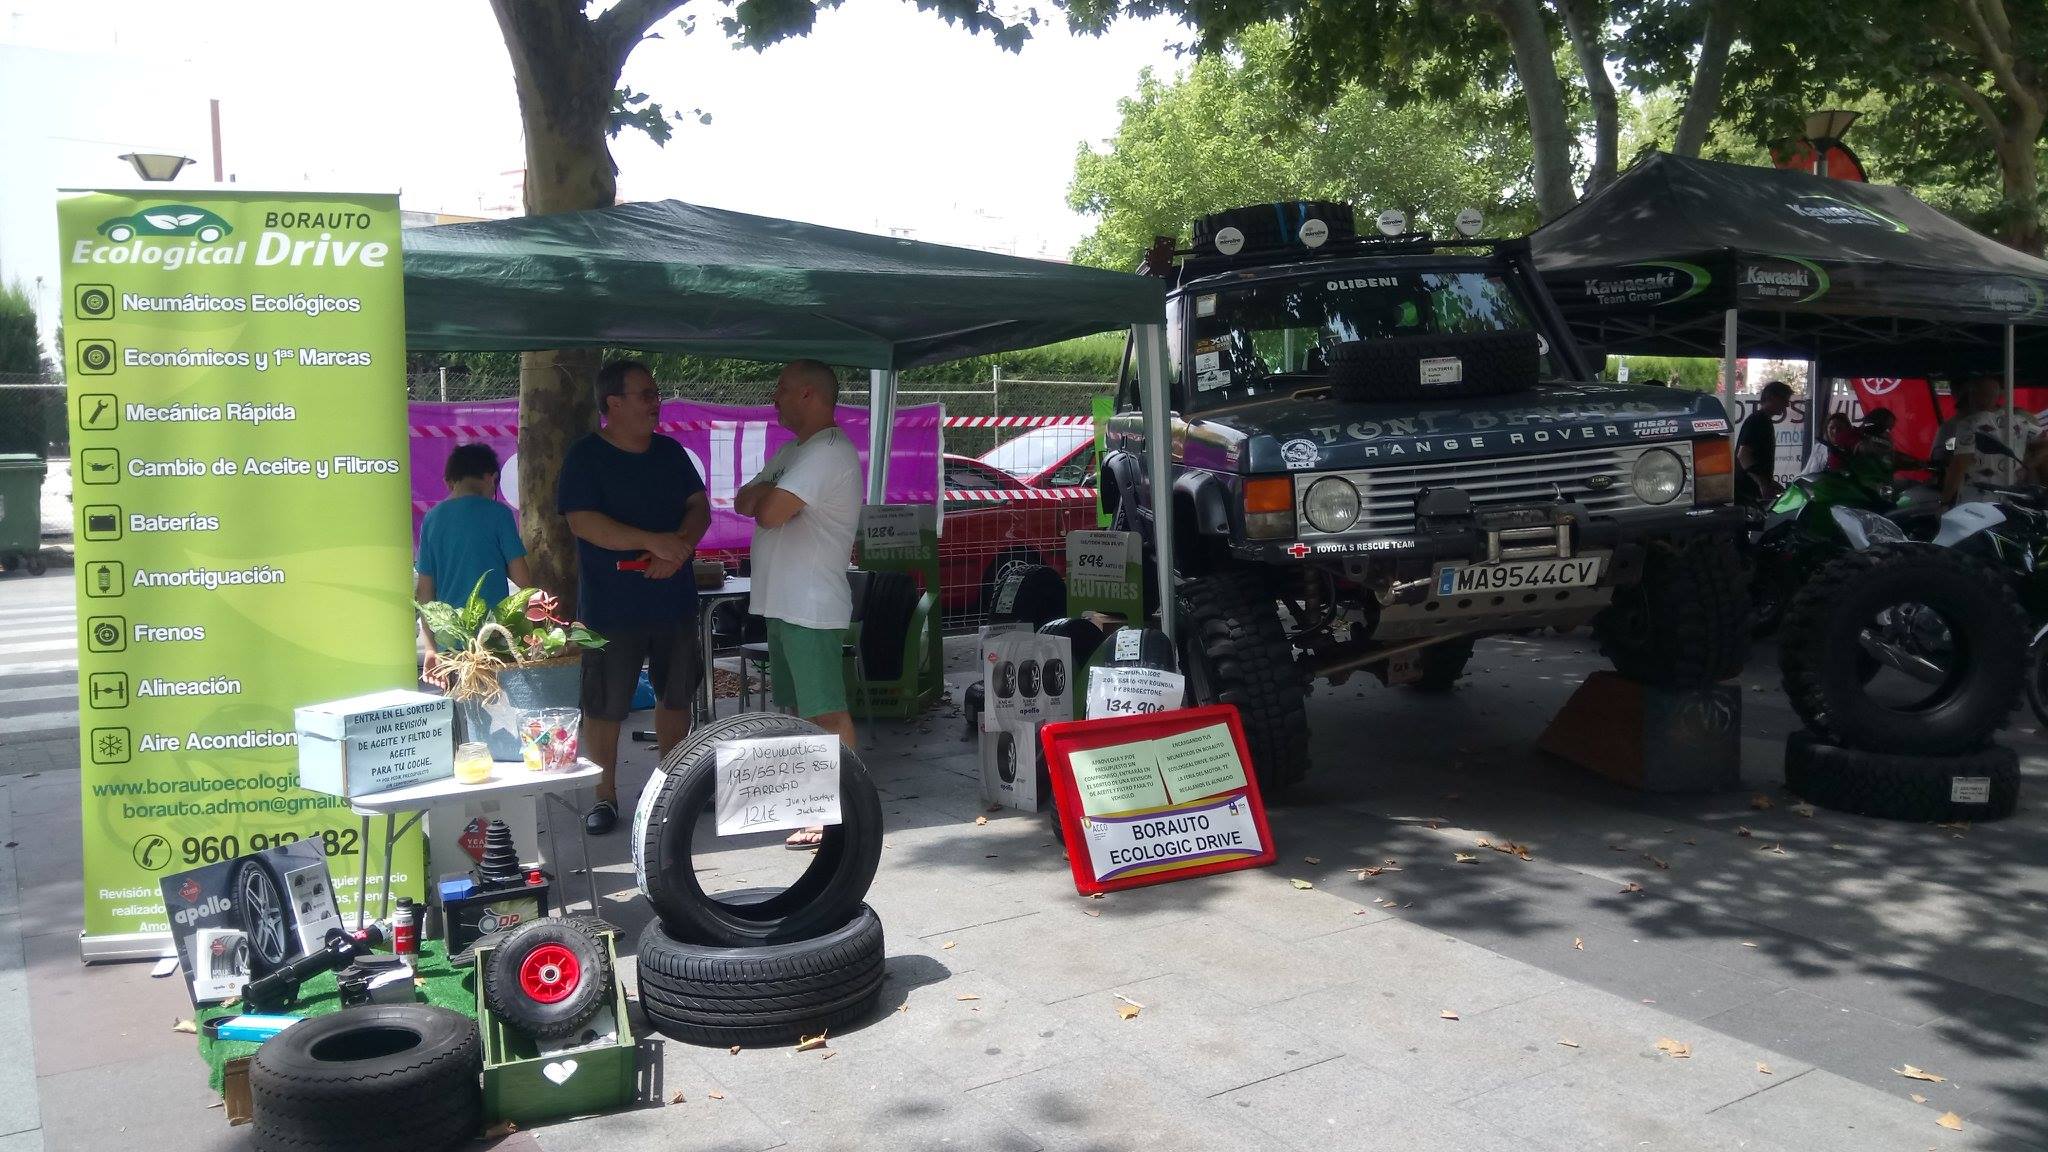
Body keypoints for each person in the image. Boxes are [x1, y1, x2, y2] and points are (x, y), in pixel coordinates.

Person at [558, 360, 711, 833]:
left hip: (674, 599)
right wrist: (652, 541)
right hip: (610, 607)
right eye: (644, 394)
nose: (655, 401)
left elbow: (698, 507)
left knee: (676, 693)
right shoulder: (585, 456)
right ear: (613, 404)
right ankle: (603, 798)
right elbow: (583, 522)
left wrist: (679, 547)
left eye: (656, 392)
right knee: (604, 705)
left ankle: (673, 788)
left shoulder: (669, 452)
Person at [735, 359, 863, 850]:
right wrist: (767, 494)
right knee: (797, 711)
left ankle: (842, 810)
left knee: (826, 713)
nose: (775, 397)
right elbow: (744, 499)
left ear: (809, 395)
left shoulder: (828, 452)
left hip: (811, 604)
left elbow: (765, 512)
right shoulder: (794, 451)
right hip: (784, 605)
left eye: (783, 388)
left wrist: (767, 495)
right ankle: (813, 804)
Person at [415, 443, 530, 616]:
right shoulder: (499, 514)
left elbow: (425, 589)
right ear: (492, 478)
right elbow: (522, 579)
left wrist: (430, 642)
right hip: (493, 631)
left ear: (450, 481)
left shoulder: (431, 519)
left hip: (449, 630)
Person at [1938, 374, 2028, 507]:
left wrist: (1944, 502)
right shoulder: (2021, 422)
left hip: (1977, 501)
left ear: (1974, 395)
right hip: (2010, 498)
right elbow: (2044, 444)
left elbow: (1959, 464)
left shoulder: (1969, 424)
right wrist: (2027, 465)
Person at [1736, 381, 1793, 506]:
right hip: (1747, 492)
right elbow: (1743, 455)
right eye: (1784, 399)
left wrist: (1769, 482)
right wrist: (1763, 483)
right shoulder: (1758, 421)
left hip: (1750, 489)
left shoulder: (1762, 420)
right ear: (1771, 397)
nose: (1787, 404)